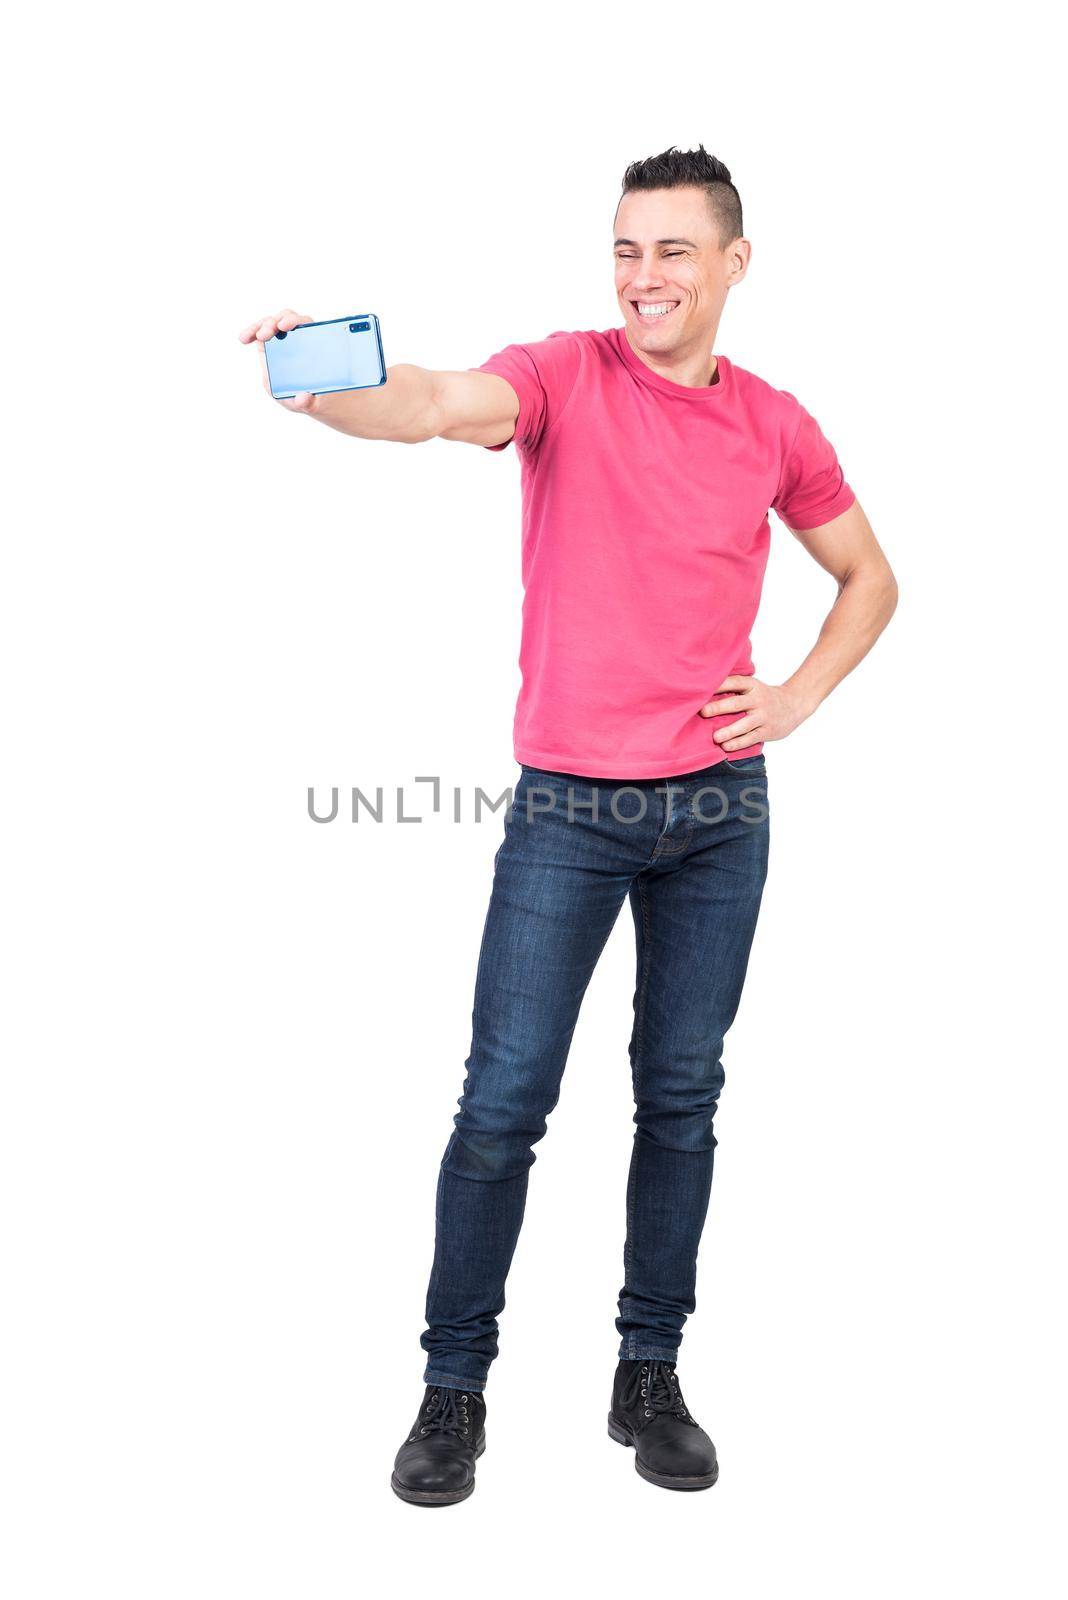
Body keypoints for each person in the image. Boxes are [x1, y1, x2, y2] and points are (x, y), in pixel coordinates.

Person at [240, 144, 898, 1504]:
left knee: (682, 1099)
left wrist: (795, 699)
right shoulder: (561, 375)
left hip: (720, 811)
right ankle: (453, 1390)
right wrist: (325, 385)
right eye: (623, 249)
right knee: (502, 1104)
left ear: (731, 263)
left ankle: (646, 1375)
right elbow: (428, 401)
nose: (641, 276)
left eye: (669, 250)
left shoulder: (774, 422)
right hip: (570, 811)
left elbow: (871, 578)